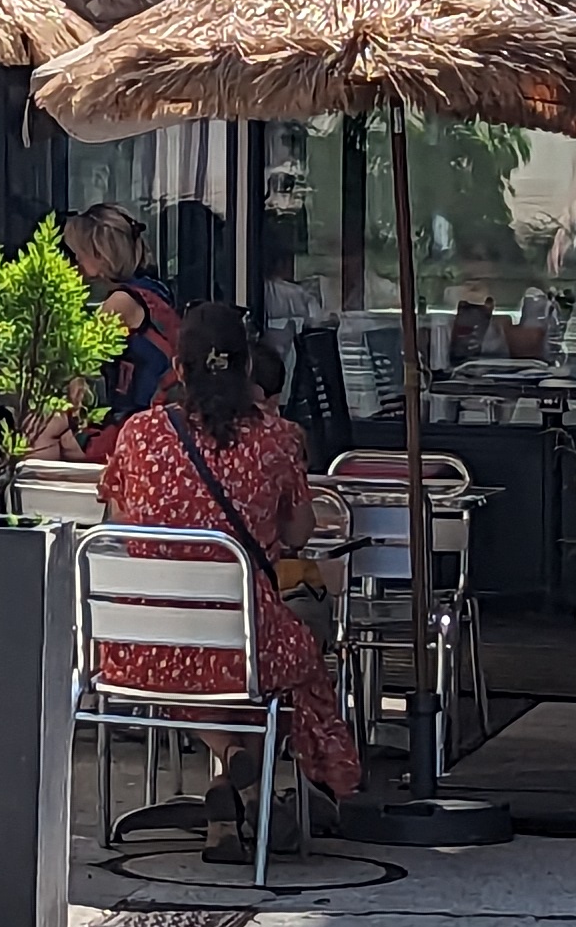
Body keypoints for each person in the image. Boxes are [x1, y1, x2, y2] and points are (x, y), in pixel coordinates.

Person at [95, 307, 357, 853]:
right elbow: (299, 532)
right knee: (291, 644)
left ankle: (227, 792)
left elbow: (119, 521)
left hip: (142, 643)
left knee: (210, 652)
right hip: (243, 642)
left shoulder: (139, 434)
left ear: (178, 367)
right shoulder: (277, 439)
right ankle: (246, 774)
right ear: (247, 368)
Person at [65, 203, 183, 418]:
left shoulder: (120, 303)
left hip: (144, 418)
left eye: (79, 252)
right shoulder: (152, 289)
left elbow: (79, 360)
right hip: (160, 413)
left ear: (99, 254)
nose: (76, 260)